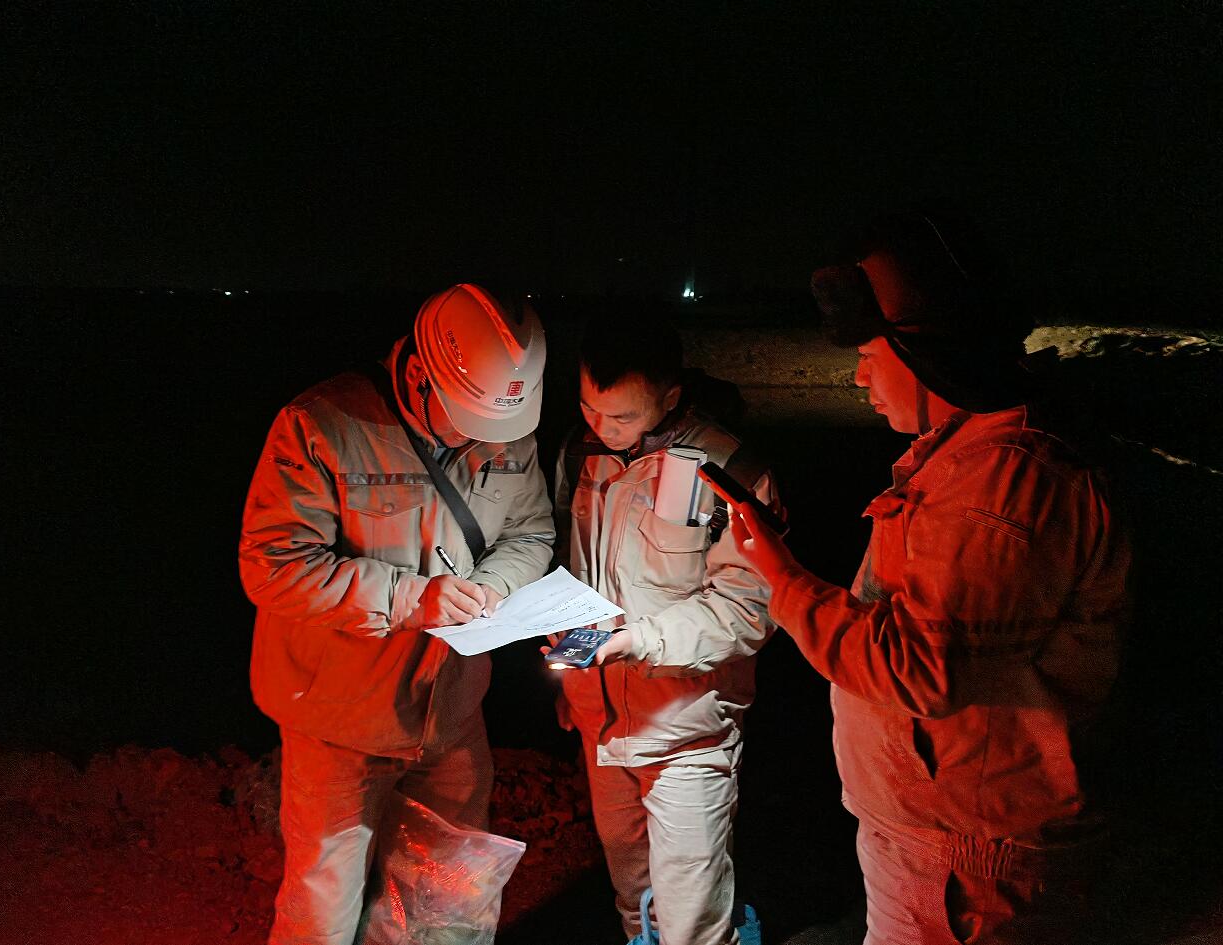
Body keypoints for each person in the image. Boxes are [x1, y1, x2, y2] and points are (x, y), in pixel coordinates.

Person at [713, 212, 1130, 944]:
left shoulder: (1003, 483)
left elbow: (919, 667)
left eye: (869, 353)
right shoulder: (966, 454)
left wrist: (782, 576)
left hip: (969, 866)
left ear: (927, 350)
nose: (859, 375)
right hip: (939, 842)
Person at [239, 284, 555, 945]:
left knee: (448, 905)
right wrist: (413, 599)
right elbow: (273, 566)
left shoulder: (507, 427)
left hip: (451, 713)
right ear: (418, 377)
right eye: (466, 419)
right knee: (323, 911)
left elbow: (530, 533)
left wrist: (490, 588)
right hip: (340, 722)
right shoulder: (321, 426)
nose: (483, 438)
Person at [554, 312, 779, 945]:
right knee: (634, 898)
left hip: (688, 730)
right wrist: (569, 674)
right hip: (602, 726)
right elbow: (571, 567)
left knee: (689, 922)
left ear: (671, 396)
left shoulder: (730, 469)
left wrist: (639, 641)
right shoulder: (580, 454)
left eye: (622, 416)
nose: (603, 428)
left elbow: (750, 607)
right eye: (590, 408)